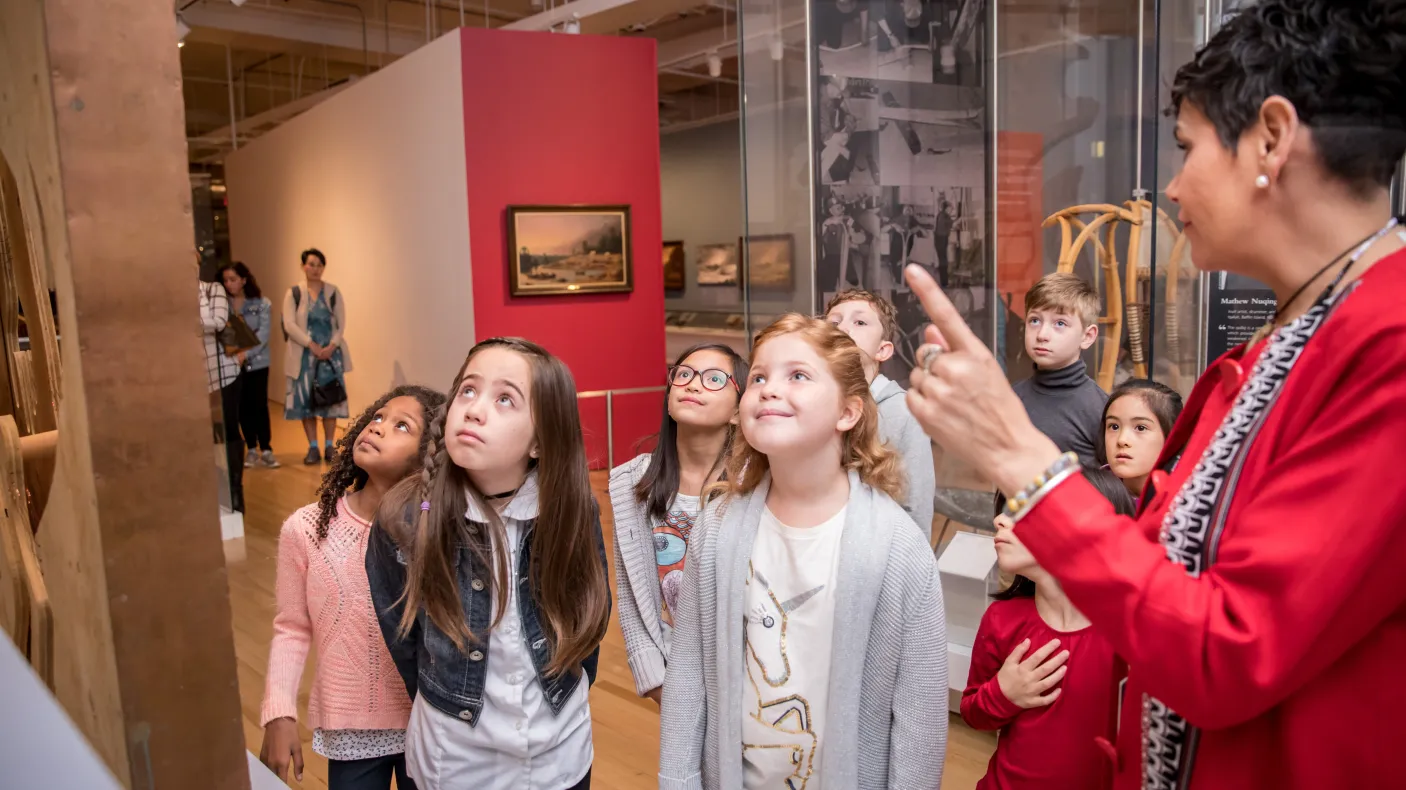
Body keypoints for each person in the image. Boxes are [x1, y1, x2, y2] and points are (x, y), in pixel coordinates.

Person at [901, 2, 1406, 786]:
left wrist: (1020, 455)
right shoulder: (1294, 336)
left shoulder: (1389, 347)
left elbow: (1227, 646)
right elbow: (1172, 566)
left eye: (1186, 148)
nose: (1171, 186)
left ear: (1270, 139)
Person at [659, 314, 947, 790]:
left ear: (848, 412)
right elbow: (689, 671)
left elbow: (920, 718)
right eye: (758, 377)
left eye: (798, 375)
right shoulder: (717, 525)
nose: (769, 389)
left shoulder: (897, 547)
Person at [365, 338, 610, 790]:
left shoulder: (571, 511)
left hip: (561, 756)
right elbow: (404, 641)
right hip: (455, 762)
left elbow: (587, 619)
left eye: (504, 400)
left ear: (540, 440)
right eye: (468, 391)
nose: (475, 410)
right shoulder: (406, 516)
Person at [259, 386, 444, 789]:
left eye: (401, 426)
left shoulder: (436, 533)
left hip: (430, 723)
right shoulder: (307, 529)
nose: (377, 428)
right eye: (377, 417)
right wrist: (279, 712)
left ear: (428, 455)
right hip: (351, 727)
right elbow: (291, 627)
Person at [962, 468, 1134, 790]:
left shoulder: (1127, 636)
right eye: (1003, 511)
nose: (999, 521)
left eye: (1021, 512)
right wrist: (1003, 694)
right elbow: (973, 713)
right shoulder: (1001, 619)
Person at [608, 343, 746, 705]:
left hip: (744, 673)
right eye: (683, 374)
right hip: (673, 672)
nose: (693, 384)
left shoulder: (756, 485)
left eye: (714, 378)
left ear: (738, 410)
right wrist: (655, 680)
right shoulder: (631, 483)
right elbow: (631, 596)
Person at [825, 288, 935, 539]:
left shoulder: (904, 412)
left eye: (860, 322)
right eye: (833, 322)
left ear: (882, 350)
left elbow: (915, 506)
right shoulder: (809, 402)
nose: (843, 328)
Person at [1011, 273, 1106, 467]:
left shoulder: (1099, 409)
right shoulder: (1012, 398)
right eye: (1035, 321)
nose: (1042, 335)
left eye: (1060, 323)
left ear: (1087, 336)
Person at [284, 248, 352, 465]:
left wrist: (332, 345)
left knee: (330, 401)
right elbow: (289, 324)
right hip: (304, 357)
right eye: (311, 264)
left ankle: (330, 445)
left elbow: (341, 324)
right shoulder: (294, 293)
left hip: (330, 357)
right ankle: (312, 446)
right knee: (307, 403)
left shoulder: (333, 292)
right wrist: (310, 344)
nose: (315, 268)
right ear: (303, 266)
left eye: (319, 265)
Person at [220, 261, 279, 469]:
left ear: (244, 280)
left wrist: (247, 352)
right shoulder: (222, 305)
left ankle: (267, 448)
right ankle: (251, 449)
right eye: (226, 280)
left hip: (258, 362)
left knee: (259, 405)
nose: (229, 284)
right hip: (232, 363)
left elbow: (263, 335)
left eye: (233, 279)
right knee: (242, 406)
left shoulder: (262, 303)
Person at [1095, 380, 1183, 504]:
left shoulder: (1187, 500)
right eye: (1114, 426)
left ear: (1171, 437)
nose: (1122, 440)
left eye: (1141, 428)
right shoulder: (1091, 494)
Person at [199, 276, 244, 512]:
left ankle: (235, 491)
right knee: (204, 436)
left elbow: (217, 321)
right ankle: (211, 489)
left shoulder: (211, 289)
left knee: (228, 432)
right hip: (193, 378)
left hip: (223, 374)